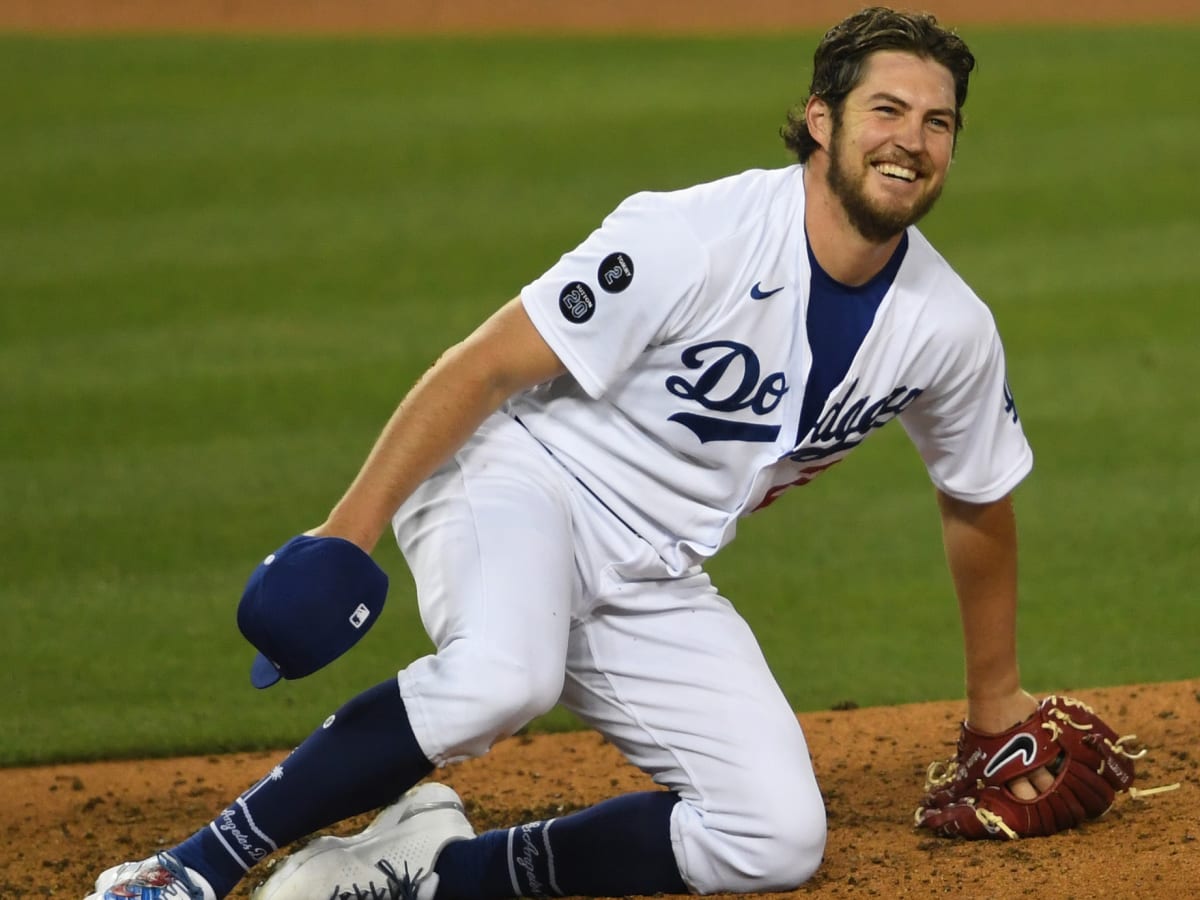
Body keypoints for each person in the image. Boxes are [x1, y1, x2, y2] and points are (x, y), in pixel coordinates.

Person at [87, 7, 1059, 899]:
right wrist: (348, 531)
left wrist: (994, 704)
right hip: (520, 481)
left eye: (938, 122)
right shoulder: (695, 238)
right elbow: (483, 366)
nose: (913, 140)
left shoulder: (949, 328)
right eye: (887, 109)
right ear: (820, 120)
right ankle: (185, 871)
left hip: (656, 569)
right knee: (503, 680)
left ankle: (436, 872)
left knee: (775, 839)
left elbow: (976, 496)